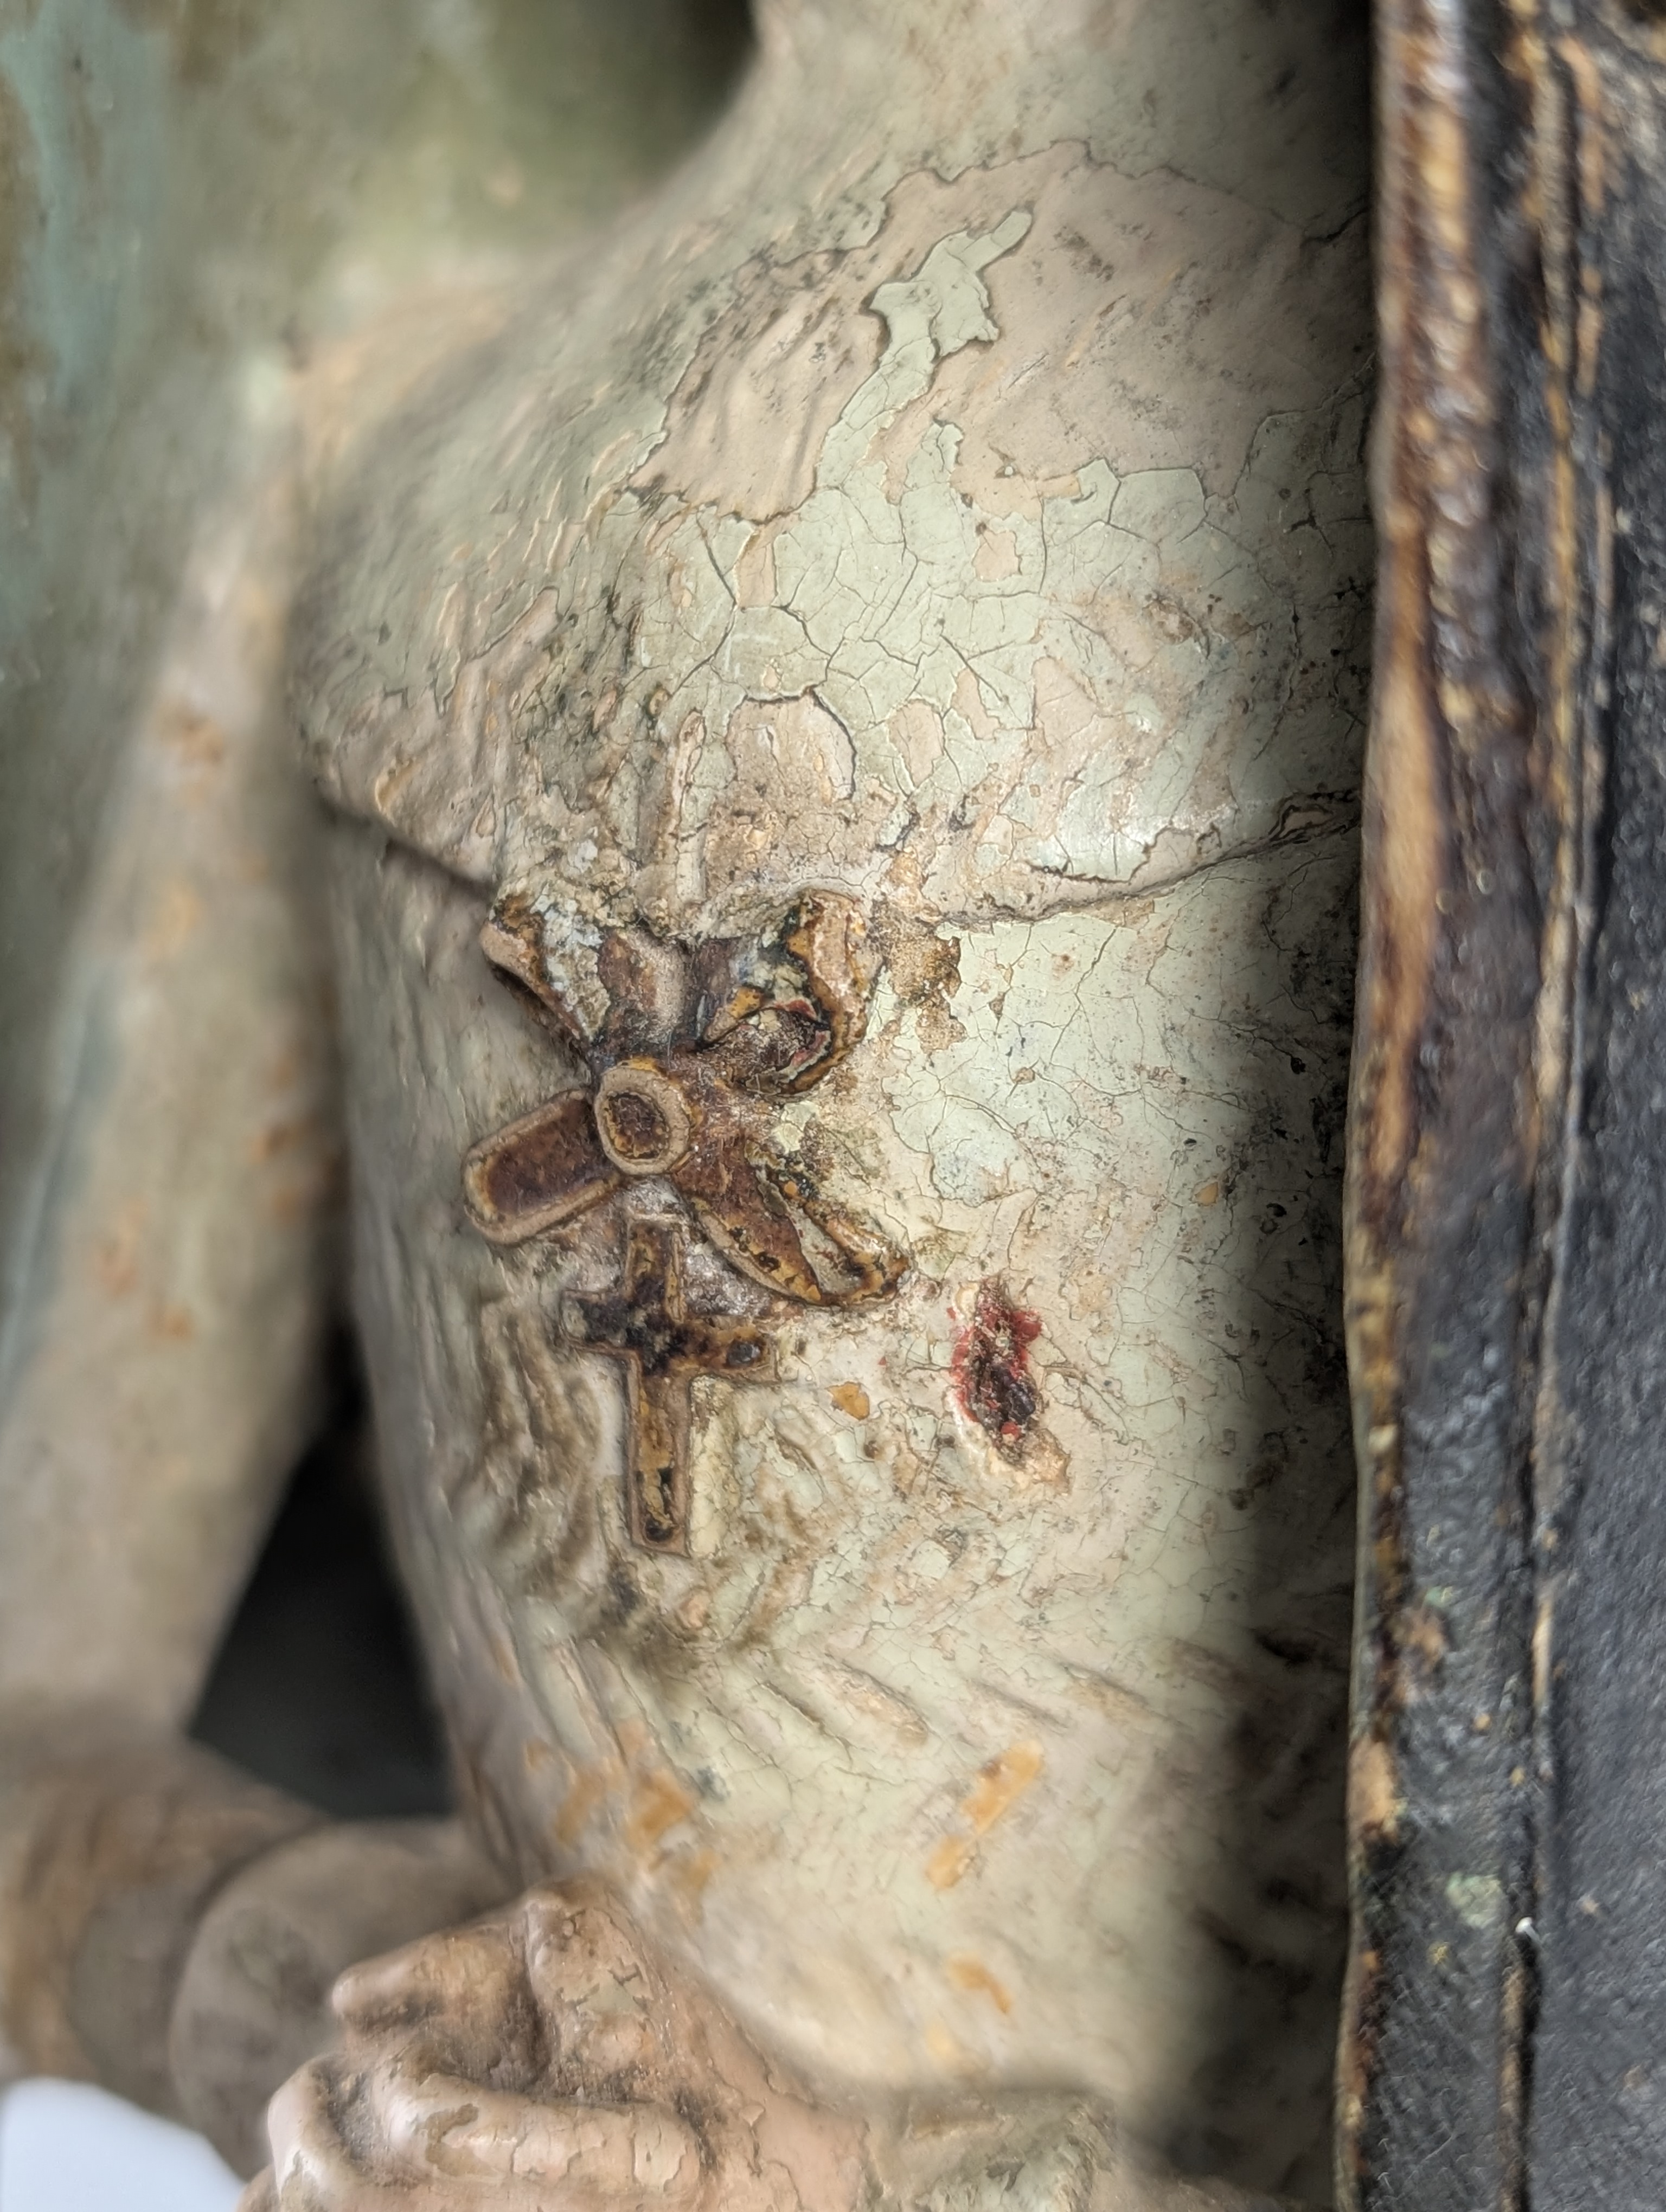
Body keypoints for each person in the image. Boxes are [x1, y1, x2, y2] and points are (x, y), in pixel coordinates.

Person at [0, 2, 1372, 2203]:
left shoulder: (1492, 476)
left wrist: (866, 2185)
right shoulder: (396, 438)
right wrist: (365, 2019)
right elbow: (33, 1770)